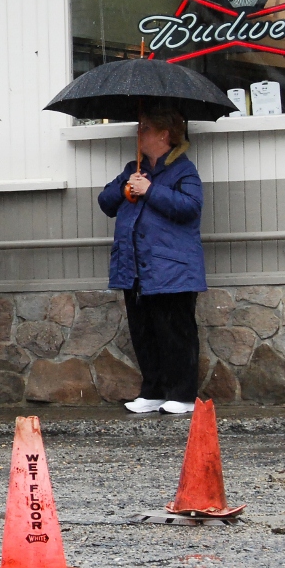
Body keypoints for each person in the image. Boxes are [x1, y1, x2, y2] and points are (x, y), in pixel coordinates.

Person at [98, 107, 206, 416]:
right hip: (134, 268)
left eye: (145, 127)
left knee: (175, 333)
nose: (138, 132)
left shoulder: (183, 170)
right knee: (144, 332)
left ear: (164, 134)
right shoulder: (134, 168)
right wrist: (125, 187)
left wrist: (151, 190)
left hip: (171, 268)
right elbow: (105, 202)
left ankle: (182, 394)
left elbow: (190, 208)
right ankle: (154, 390)